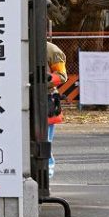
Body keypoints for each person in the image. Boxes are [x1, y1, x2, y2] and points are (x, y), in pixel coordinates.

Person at [47, 41, 67, 179]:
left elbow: (61, 75)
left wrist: (43, 79)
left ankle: (46, 176)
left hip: (44, 100)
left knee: (44, 141)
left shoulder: (51, 50)